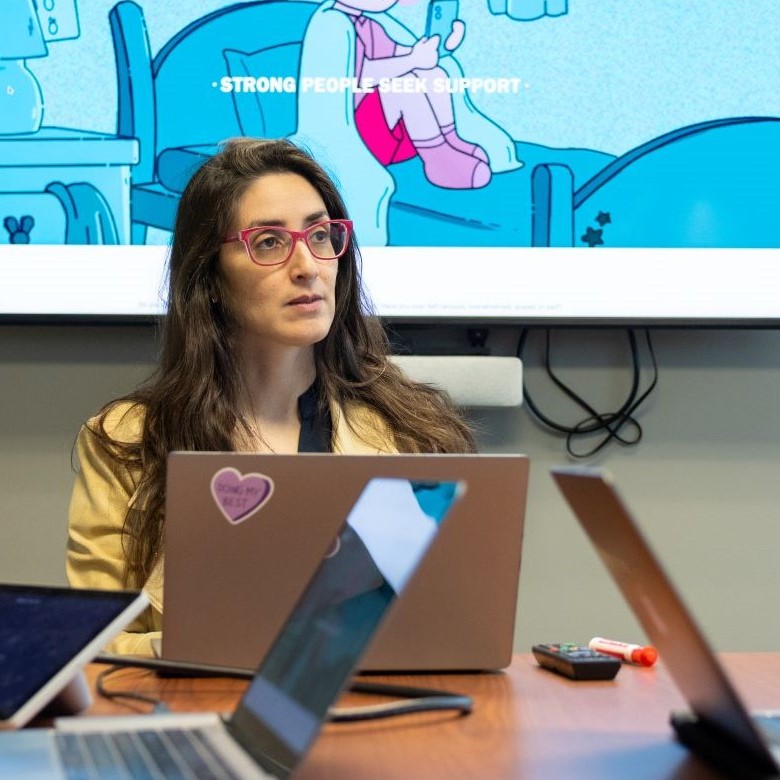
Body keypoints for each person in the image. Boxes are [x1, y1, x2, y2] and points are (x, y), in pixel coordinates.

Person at [66, 137, 476, 655]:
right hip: (187, 714)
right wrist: (226, 646)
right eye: (268, 242)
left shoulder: (414, 432)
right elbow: (88, 651)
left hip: (375, 718)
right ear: (209, 278)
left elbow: (454, 629)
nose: (308, 265)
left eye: (321, 235)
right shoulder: (124, 441)